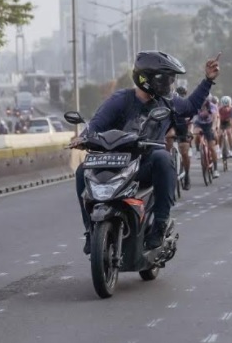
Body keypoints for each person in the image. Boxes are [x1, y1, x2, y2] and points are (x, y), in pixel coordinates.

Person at [72, 50, 220, 254]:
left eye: (171, 80)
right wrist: (82, 137)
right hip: (115, 164)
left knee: (163, 157)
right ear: (148, 79)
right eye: (165, 79)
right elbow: (95, 125)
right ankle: (90, 231)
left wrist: (207, 81)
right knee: (82, 171)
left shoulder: (168, 100)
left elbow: (190, 107)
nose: (169, 84)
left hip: (144, 165)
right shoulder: (120, 99)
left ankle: (159, 225)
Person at [171, 86, 193, 190]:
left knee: (184, 151)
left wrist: (190, 132)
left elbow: (190, 123)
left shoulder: (187, 105)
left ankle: (187, 175)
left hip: (183, 128)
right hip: (172, 128)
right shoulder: (169, 104)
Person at [193, 96, 220, 178]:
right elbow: (192, 117)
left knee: (212, 147)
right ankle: (198, 150)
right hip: (199, 124)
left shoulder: (212, 106)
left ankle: (215, 169)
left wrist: (213, 127)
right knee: (196, 134)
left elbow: (215, 117)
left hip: (209, 125)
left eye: (204, 101)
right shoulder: (195, 105)